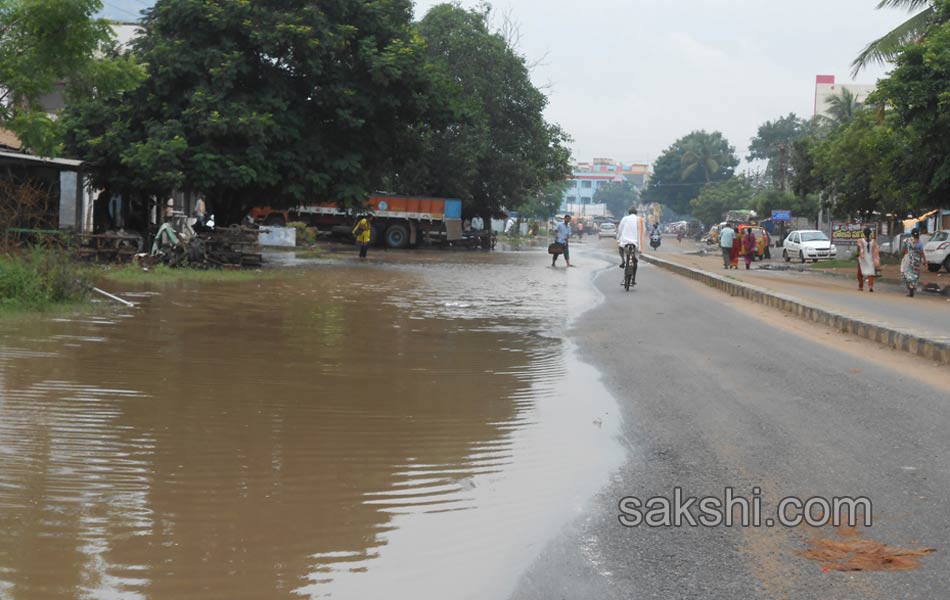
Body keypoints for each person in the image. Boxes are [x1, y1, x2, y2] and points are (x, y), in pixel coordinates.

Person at [616, 206, 646, 277]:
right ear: (636, 213)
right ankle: (633, 279)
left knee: (620, 248)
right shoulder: (640, 220)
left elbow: (620, 229)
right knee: (635, 261)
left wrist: (618, 238)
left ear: (629, 213)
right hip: (636, 242)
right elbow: (643, 231)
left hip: (625, 241)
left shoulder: (625, 218)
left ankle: (623, 260)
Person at [900, 228, 925, 297]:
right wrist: (925, 261)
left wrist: (902, 257)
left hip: (908, 259)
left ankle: (910, 288)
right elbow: (922, 253)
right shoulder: (920, 243)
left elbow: (903, 250)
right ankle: (912, 287)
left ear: (911, 234)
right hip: (917, 260)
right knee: (914, 274)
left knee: (906, 273)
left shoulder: (907, 241)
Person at [857, 227, 880, 292]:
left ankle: (861, 287)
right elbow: (876, 251)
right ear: (870, 233)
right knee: (870, 273)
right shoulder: (874, 241)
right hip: (870, 259)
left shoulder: (860, 241)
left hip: (862, 259)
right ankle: (870, 286)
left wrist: (858, 255)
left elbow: (858, 250)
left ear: (863, 233)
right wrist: (876, 260)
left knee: (860, 273)